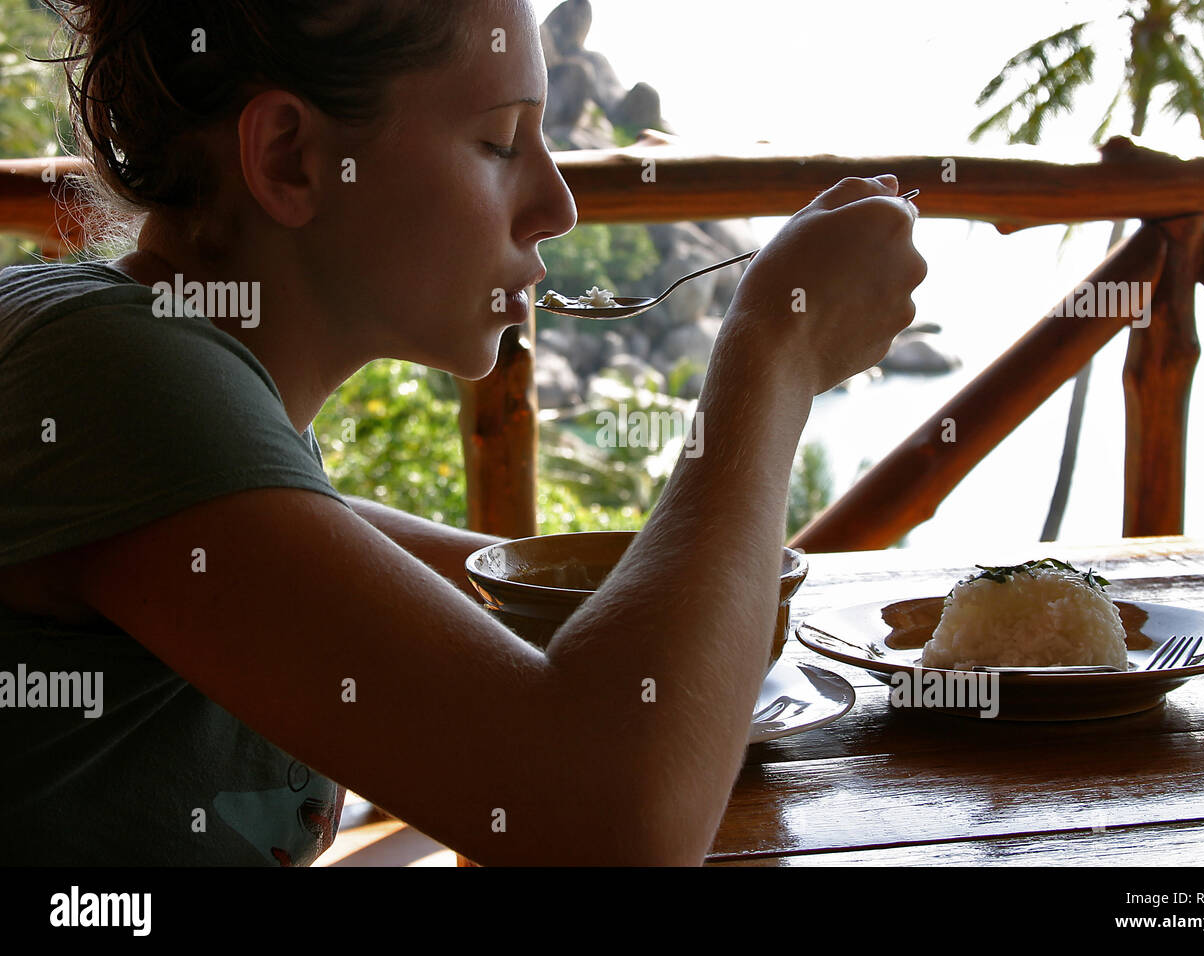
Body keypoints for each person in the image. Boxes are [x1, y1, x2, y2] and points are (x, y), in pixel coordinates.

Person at [0, 0, 925, 866]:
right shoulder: (116, 377)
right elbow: (608, 823)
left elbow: (500, 597)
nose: (557, 206)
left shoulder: (183, 398)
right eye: (500, 140)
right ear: (289, 159)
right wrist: (777, 352)